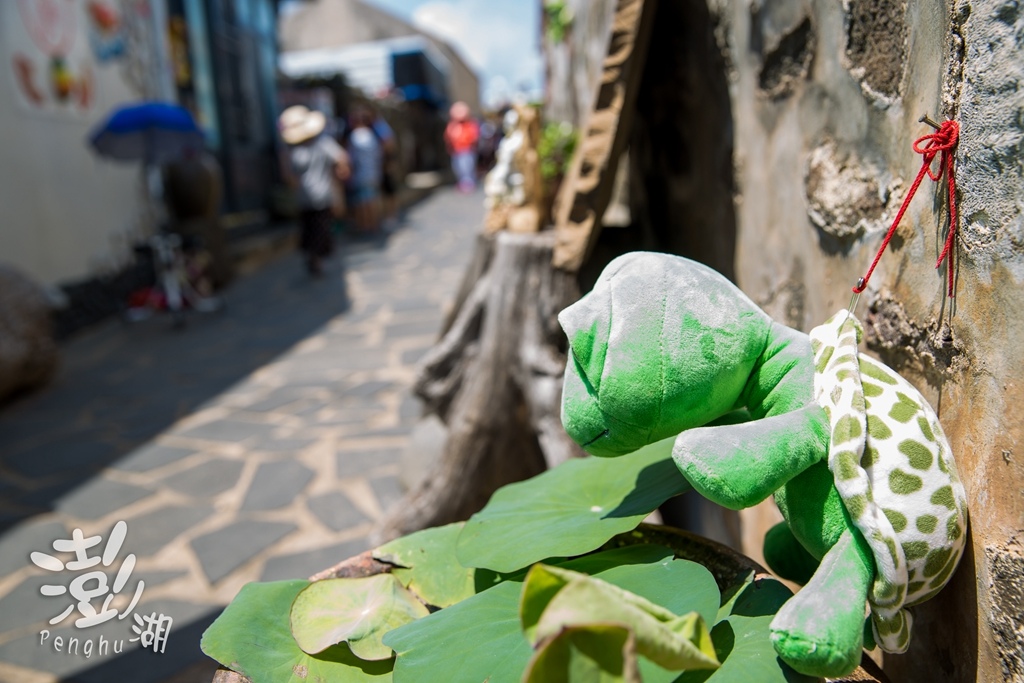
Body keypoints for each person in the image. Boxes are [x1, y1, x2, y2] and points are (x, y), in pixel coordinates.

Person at [279, 105, 350, 276]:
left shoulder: (321, 144)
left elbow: (341, 159)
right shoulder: (300, 149)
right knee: (311, 230)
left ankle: (316, 259)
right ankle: (315, 258)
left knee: (318, 230)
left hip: (319, 196)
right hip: (307, 198)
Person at [344, 107, 383, 233]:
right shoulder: (371, 135)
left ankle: (365, 226)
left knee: (361, 201)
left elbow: (350, 158)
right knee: (371, 199)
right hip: (373, 172)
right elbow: (378, 154)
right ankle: (373, 224)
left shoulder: (354, 137)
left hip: (360, 174)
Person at [444, 101, 480, 192]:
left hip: (467, 149)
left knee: (467, 166)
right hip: (456, 150)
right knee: (457, 167)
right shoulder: (453, 125)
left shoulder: (470, 125)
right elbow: (448, 136)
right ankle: (462, 181)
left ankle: (468, 183)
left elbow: (474, 136)